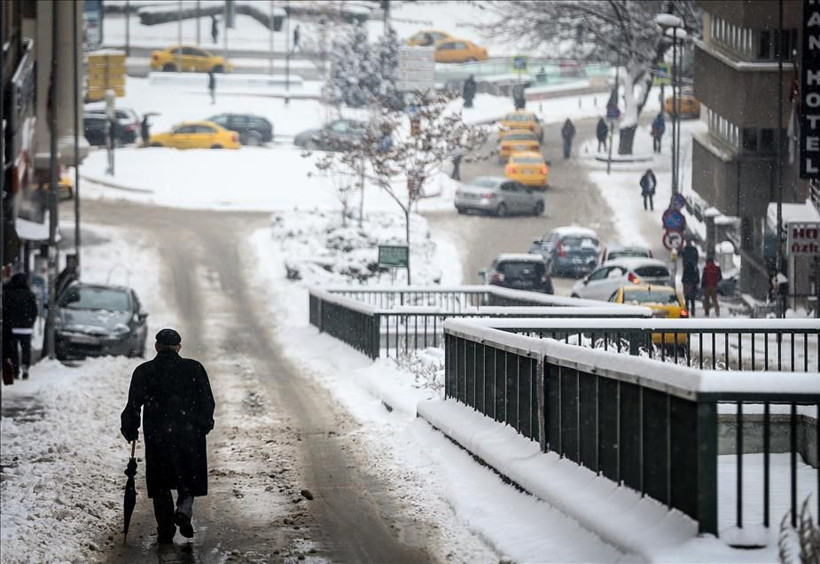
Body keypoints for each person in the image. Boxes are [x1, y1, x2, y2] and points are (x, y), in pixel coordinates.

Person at [121, 329, 215, 545]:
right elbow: (207, 401)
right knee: (188, 476)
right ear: (179, 347)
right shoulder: (194, 368)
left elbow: (134, 405)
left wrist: (131, 428)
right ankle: (183, 509)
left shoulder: (145, 371)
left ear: (156, 347)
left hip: (158, 435)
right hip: (189, 434)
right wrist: (204, 424)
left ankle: (165, 527)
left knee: (161, 481)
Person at [2, 273, 39, 380]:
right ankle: (25, 367)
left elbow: (5, 310)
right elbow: (34, 311)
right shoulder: (29, 294)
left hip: (13, 327)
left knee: (14, 350)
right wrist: (31, 322)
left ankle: (15, 369)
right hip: (26, 327)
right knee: (26, 348)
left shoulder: (9, 294)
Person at [680, 238, 700, 316]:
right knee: (692, 299)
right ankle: (692, 311)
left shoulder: (685, 250)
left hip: (688, 284)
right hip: (692, 284)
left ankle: (687, 311)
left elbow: (683, 278)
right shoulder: (694, 269)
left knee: (687, 299)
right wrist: (696, 282)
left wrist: (684, 281)